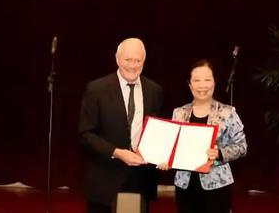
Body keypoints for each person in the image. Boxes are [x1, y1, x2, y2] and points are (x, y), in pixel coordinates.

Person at [79, 38, 163, 213]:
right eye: (128, 59)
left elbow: (158, 131)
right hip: (105, 180)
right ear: (117, 59)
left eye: (137, 60)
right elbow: (85, 134)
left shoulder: (154, 90)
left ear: (144, 61)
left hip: (141, 179)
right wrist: (117, 152)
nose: (132, 65)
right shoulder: (96, 89)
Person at [160, 59, 247, 213]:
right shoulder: (179, 113)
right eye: (197, 80)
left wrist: (219, 153)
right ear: (189, 85)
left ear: (214, 82)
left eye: (207, 80)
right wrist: (165, 160)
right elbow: (170, 147)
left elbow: (242, 146)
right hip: (185, 186)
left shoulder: (227, 112)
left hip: (217, 187)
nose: (202, 85)